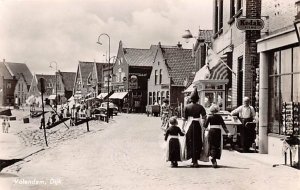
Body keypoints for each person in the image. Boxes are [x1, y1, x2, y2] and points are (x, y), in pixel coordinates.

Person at [182, 87, 207, 167]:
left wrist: (182, 127)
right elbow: (204, 117)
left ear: (190, 99)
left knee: (189, 141)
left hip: (189, 125)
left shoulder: (186, 107)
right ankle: (195, 160)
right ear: (197, 99)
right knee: (198, 142)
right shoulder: (200, 107)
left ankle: (192, 159)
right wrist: (204, 125)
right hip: (197, 125)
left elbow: (184, 119)